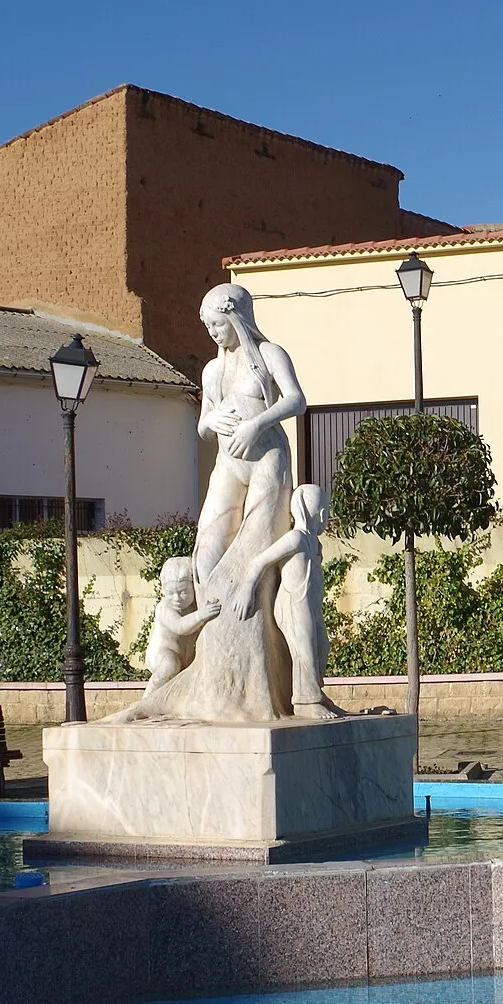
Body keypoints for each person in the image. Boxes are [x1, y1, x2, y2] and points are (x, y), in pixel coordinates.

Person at [191, 283, 306, 605]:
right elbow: (203, 426)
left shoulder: (269, 355)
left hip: (267, 459)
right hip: (227, 463)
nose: (213, 332)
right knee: (207, 545)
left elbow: (297, 400)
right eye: (209, 326)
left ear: (239, 319)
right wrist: (210, 422)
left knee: (257, 542)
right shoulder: (212, 370)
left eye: (219, 324)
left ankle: (254, 628)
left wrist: (256, 425)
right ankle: (211, 623)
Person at [230, 484, 344, 720]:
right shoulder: (295, 539)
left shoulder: (315, 543)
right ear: (306, 510)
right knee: (304, 651)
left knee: (321, 646)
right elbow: (259, 562)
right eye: (320, 509)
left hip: (310, 605)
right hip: (293, 604)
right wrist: (247, 589)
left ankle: (317, 694)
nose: (325, 515)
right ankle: (305, 702)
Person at [142, 557, 222, 693]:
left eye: (183, 592)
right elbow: (180, 626)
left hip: (186, 655)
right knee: (169, 666)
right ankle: (148, 697)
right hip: (163, 653)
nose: (176, 598)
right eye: (170, 593)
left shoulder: (194, 606)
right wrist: (201, 615)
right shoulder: (165, 608)